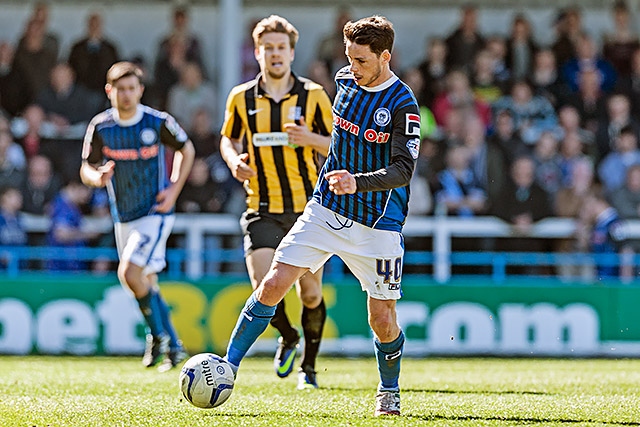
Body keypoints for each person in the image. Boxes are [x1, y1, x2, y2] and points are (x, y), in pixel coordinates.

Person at [222, 15, 420, 416]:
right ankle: (226, 368)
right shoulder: (346, 81)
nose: (351, 67)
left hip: (377, 224)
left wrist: (357, 181)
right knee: (273, 283)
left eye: (361, 60)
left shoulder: (403, 104)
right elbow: (335, 138)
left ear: (386, 56)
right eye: (348, 58)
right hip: (325, 208)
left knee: (381, 318)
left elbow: (404, 170)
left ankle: (388, 388)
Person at [219, 15, 333, 390]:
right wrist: (234, 160)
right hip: (261, 206)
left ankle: (309, 368)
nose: (275, 54)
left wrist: (309, 139)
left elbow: (340, 147)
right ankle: (288, 335)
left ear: (291, 51)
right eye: (267, 48)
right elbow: (228, 140)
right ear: (257, 52)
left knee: (310, 292)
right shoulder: (241, 97)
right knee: (264, 285)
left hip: (307, 210)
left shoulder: (313, 95)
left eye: (281, 47)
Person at [79, 61, 195, 371]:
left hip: (154, 213)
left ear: (140, 90)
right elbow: (86, 168)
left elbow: (187, 149)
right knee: (146, 281)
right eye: (121, 89)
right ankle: (173, 346)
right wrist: (97, 177)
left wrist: (173, 189)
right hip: (123, 216)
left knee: (129, 273)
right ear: (109, 91)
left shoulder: (157, 122)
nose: (127, 95)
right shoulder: (101, 127)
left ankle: (156, 336)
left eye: (132, 88)